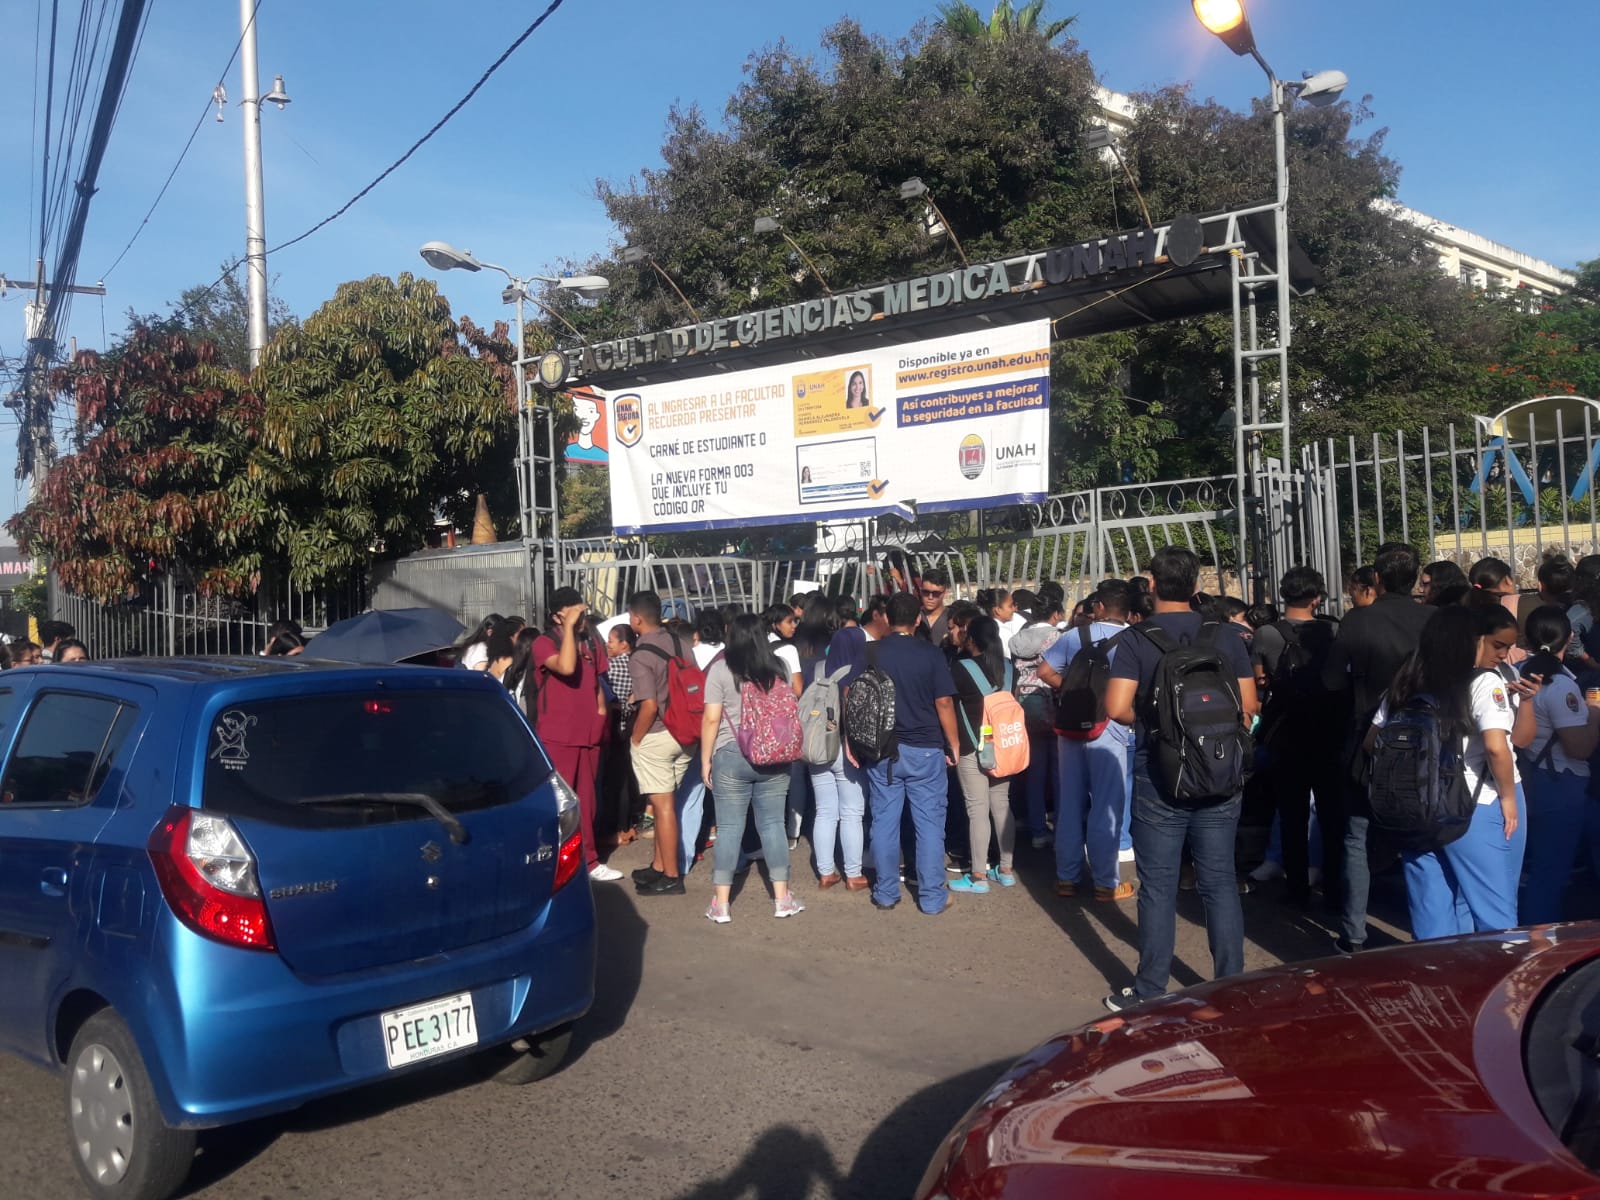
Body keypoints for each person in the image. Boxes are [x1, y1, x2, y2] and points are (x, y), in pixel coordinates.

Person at [1102, 546, 1257, 1010]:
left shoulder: (1136, 639)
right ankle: (1230, 983)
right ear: (1196, 586)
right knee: (1219, 881)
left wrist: (1158, 726)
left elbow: (1115, 708)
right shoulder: (1226, 635)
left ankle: (1151, 988)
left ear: (1150, 585)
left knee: (1159, 884)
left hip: (1160, 772)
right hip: (1221, 768)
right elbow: (1248, 706)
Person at [1366, 606, 1527, 940]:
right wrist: (1509, 798)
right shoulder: (1483, 682)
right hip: (1471, 809)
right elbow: (1497, 747)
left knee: (1430, 915)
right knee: (1496, 916)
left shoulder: (1406, 683)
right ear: (1471, 641)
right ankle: (1502, 988)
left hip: (1413, 809)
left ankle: (1438, 986)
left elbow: (1372, 742)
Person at [1321, 544, 1436, 953]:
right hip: (1430, 742)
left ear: (1378, 579)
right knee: (1425, 834)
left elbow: (1332, 681)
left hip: (1370, 741)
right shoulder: (1435, 619)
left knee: (1356, 836)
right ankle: (1430, 928)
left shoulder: (1359, 620)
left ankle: (1353, 934)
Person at [701, 614, 806, 923]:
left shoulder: (721, 669)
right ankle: (782, 899)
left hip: (731, 755)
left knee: (730, 829)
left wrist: (706, 759)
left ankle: (721, 904)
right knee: (773, 825)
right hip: (775, 755)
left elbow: (710, 719)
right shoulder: (780, 668)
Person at [861, 591, 961, 915]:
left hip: (882, 750)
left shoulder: (871, 653)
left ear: (886, 619)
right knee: (930, 823)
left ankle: (886, 892)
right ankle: (932, 897)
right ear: (918, 619)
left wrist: (853, 743)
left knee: (884, 822)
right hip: (926, 749)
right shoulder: (931, 654)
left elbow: (854, 697)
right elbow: (944, 702)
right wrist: (954, 743)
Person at [1248, 566, 1341, 907]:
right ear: (1317, 597)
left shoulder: (1267, 633)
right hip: (1329, 733)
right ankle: (1333, 887)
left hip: (1286, 732)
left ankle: (1296, 887)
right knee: (1331, 814)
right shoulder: (1332, 630)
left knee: (1291, 813)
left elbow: (1259, 680)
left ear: (1282, 593)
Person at [1039, 580, 1136, 902]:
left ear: (1099, 607)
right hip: (1111, 728)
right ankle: (1105, 883)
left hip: (1070, 728)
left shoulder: (1074, 636)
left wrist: (1073, 688)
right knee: (1106, 806)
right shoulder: (1134, 640)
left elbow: (1044, 672)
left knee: (1069, 803)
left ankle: (1066, 878)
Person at [1517, 605, 1600, 924]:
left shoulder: (1519, 672)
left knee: (1543, 869)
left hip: (1533, 779)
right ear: (1569, 638)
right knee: (1549, 876)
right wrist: (1594, 711)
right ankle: (1538, 950)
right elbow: (1579, 748)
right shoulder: (1562, 685)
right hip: (1562, 785)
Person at [529, 589, 617, 883]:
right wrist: (568, 627)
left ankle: (588, 861)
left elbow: (597, 687)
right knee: (560, 803)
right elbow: (566, 667)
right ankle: (556, 861)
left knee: (587, 802)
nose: (582, 619)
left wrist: (600, 719)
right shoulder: (545, 642)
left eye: (583, 612)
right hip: (558, 735)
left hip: (588, 735)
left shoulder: (591, 640)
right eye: (575, 613)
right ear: (558, 615)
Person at [627, 591, 694, 896]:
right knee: (664, 801)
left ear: (636, 618)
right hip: (687, 734)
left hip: (657, 734)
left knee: (662, 807)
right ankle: (657, 866)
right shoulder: (680, 642)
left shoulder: (641, 655)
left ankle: (670, 875)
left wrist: (635, 738)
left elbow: (650, 706)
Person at [947, 616, 1019, 893]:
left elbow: (949, 705)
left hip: (971, 746)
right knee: (1002, 804)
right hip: (1004, 744)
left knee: (977, 809)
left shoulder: (960, 669)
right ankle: (1007, 869)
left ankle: (979, 877)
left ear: (972, 640)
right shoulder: (1010, 669)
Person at [1010, 595, 1065, 846]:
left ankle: (1037, 831)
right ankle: (1063, 827)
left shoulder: (1017, 639)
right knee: (1059, 772)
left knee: (1034, 773)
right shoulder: (1059, 638)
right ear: (1055, 613)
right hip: (1052, 706)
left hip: (1025, 706)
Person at [916, 567, 953, 646]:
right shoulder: (913, 616)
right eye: (926, 592)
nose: (930, 597)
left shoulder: (953, 618)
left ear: (944, 593)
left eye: (936, 593)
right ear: (920, 591)